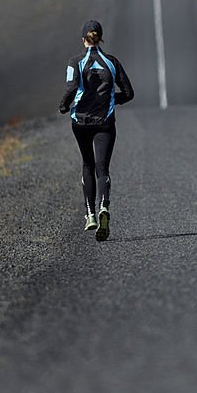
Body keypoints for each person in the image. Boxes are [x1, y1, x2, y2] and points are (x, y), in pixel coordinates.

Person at [58, 20, 134, 241]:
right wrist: (112, 99)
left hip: (80, 123)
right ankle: (104, 206)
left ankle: (90, 214)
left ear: (83, 39)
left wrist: (63, 105)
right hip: (105, 121)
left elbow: (71, 87)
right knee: (102, 167)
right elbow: (129, 93)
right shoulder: (111, 62)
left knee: (87, 164)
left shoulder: (75, 62)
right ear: (100, 38)